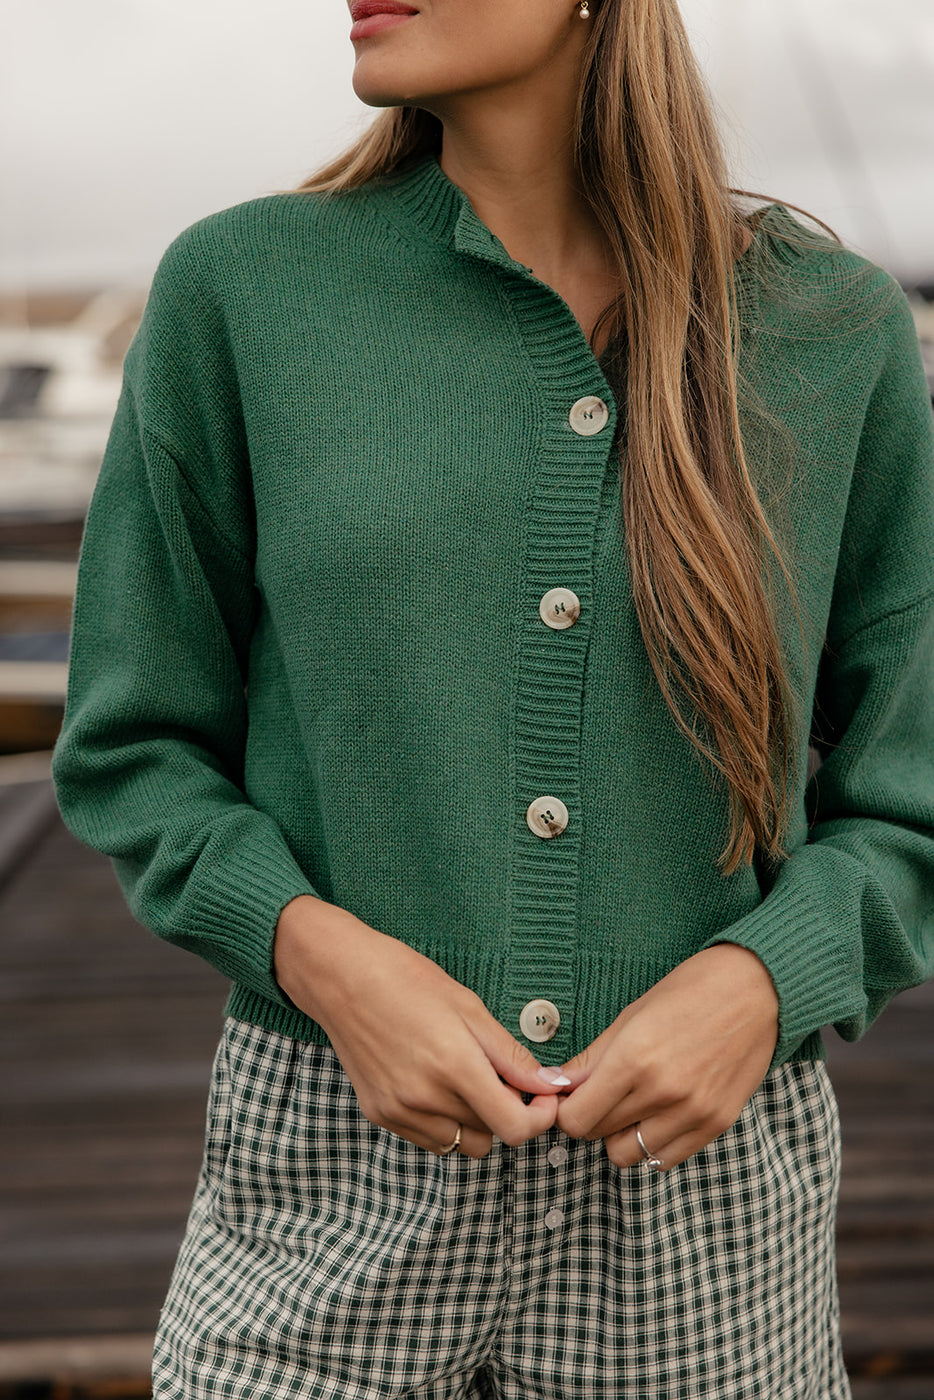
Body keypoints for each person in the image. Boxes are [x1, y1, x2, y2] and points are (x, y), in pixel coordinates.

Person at [53, 1, 934, 1395]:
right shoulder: (244, 293)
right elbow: (129, 738)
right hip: (326, 1169)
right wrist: (323, 965)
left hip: (697, 1212)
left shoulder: (829, 333)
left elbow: (911, 786)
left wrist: (762, 982)